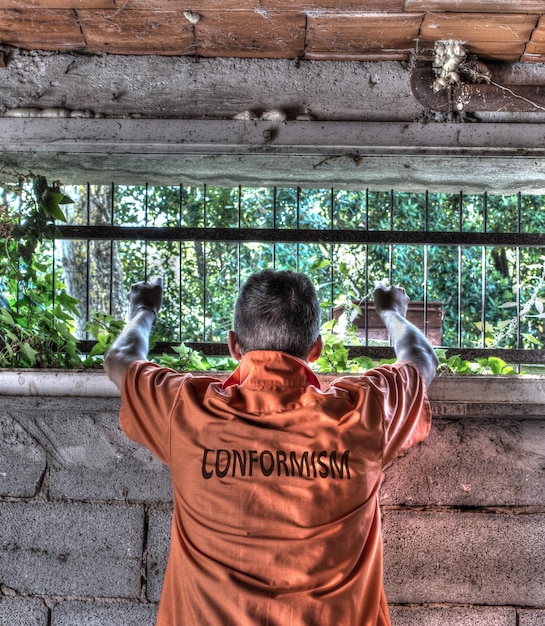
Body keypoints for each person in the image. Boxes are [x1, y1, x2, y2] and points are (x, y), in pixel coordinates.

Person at [104, 270, 438, 626]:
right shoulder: (363, 413)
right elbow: (421, 358)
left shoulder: (187, 409)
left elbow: (120, 359)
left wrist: (143, 308)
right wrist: (392, 312)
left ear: (233, 345)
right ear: (316, 349)